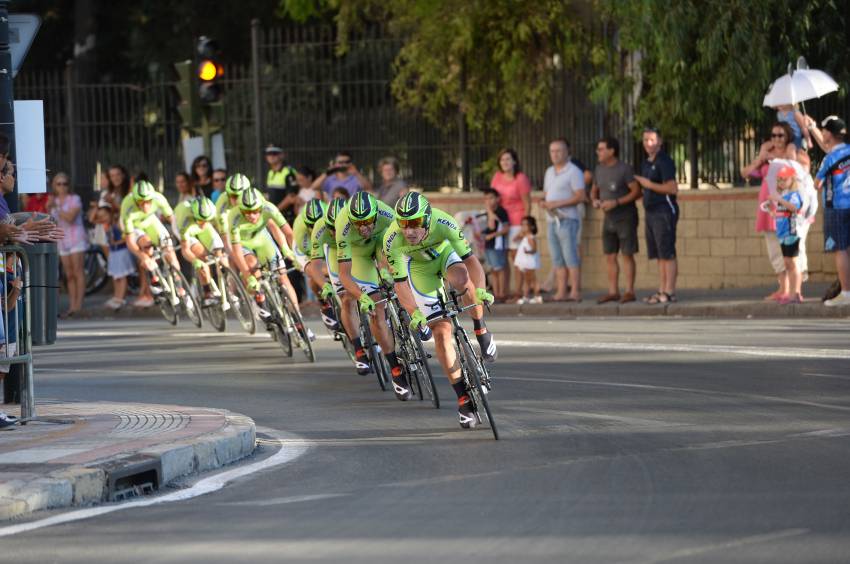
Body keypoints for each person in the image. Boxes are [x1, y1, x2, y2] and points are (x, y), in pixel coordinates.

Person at [383, 192, 496, 430]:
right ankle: (463, 399)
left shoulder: (444, 222)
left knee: (463, 280)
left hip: (444, 256)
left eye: (414, 223)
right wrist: (413, 311)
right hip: (419, 271)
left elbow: (472, 261)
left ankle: (481, 329)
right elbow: (400, 283)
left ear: (426, 219)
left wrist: (481, 291)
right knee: (442, 333)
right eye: (404, 224)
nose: (409, 231)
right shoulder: (392, 238)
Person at [336, 192, 414, 400]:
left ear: (376, 215)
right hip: (358, 253)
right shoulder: (343, 225)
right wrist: (362, 296)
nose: (363, 228)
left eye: (368, 221)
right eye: (358, 223)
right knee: (376, 309)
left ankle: (409, 313)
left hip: (382, 242)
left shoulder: (387, 214)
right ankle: (395, 368)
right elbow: (344, 275)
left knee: (396, 272)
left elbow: (402, 245)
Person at [741, 122, 805, 300]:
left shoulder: (792, 155)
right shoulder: (765, 158)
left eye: (781, 135)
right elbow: (745, 173)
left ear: (788, 137)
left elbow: (794, 171)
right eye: (773, 135)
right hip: (768, 209)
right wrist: (760, 158)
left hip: (786, 210)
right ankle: (782, 288)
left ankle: (794, 290)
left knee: (790, 250)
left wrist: (773, 156)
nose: (776, 139)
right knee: (774, 250)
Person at [591, 137, 641, 304]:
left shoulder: (625, 169)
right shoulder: (598, 169)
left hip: (625, 217)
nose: (598, 152)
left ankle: (629, 291)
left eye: (601, 149)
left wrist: (617, 202)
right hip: (608, 218)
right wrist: (595, 200)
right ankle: (613, 291)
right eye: (598, 149)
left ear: (612, 151)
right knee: (610, 255)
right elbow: (594, 190)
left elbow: (636, 192)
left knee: (627, 254)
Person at [807, 115, 850, 307]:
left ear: (829, 134)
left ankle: (847, 293)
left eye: (823, 130)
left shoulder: (829, 159)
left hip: (837, 209)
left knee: (840, 250)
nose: (822, 133)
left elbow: (817, 184)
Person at [634, 127, 679, 304]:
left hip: (664, 211)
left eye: (651, 140)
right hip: (650, 211)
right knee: (659, 254)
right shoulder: (646, 163)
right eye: (645, 140)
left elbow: (672, 188)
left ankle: (670, 291)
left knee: (667, 252)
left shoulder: (664, 161)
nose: (648, 143)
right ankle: (661, 289)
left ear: (659, 141)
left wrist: (649, 184)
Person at [120, 180, 180, 305]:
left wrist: (179, 236)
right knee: (146, 245)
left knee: (168, 248)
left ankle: (179, 285)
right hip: (134, 226)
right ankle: (154, 279)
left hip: (150, 220)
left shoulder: (158, 198)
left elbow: (172, 219)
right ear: (135, 200)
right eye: (141, 203)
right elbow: (130, 241)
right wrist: (143, 257)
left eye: (148, 202)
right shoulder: (128, 205)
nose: (145, 206)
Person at [541, 138, 585, 302]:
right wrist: (544, 202)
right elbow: (547, 194)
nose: (555, 154)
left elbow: (580, 196)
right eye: (552, 151)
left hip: (568, 220)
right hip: (551, 220)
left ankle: (575, 291)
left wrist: (557, 203)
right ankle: (561, 291)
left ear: (567, 152)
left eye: (559, 150)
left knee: (570, 256)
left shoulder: (574, 171)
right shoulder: (549, 172)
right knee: (557, 258)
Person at [490, 148, 532, 297]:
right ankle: (505, 291)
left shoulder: (521, 178)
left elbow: (528, 204)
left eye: (508, 159)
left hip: (516, 223)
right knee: (503, 258)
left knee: (517, 258)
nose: (505, 162)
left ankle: (519, 292)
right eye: (502, 160)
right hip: (501, 223)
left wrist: (524, 228)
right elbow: (491, 199)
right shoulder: (497, 177)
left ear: (514, 161)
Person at [48, 172, 87, 318]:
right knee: (69, 274)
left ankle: (78, 305)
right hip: (62, 239)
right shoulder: (53, 201)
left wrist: (56, 208)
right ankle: (72, 306)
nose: (62, 187)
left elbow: (70, 218)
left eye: (65, 184)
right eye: (59, 184)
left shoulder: (74, 199)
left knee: (78, 271)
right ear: (54, 186)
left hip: (76, 237)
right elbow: (50, 220)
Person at [768, 165, 805, 304]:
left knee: (793, 263)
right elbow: (781, 213)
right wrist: (772, 212)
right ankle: (791, 293)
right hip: (783, 233)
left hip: (792, 231)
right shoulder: (783, 196)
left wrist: (779, 199)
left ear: (792, 179)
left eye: (784, 179)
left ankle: (796, 293)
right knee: (787, 263)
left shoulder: (793, 195)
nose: (781, 182)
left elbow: (794, 207)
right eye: (779, 180)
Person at [181, 197, 227, 306]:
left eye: (207, 220)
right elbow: (185, 249)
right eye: (201, 220)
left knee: (218, 250)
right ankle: (207, 292)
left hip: (203, 227)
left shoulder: (212, 215)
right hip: (189, 229)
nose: (203, 223)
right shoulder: (185, 220)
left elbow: (222, 232)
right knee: (201, 255)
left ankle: (226, 287)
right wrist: (195, 260)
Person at [102, 203, 135, 310]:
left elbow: (126, 237)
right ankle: (116, 296)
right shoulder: (107, 225)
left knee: (122, 275)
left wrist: (117, 242)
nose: (103, 218)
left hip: (121, 251)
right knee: (116, 275)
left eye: (105, 216)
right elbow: (93, 218)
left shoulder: (117, 224)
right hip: (114, 252)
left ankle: (121, 298)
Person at [480, 188, 509, 302]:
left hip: (497, 245)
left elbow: (505, 228)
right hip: (488, 245)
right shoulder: (489, 212)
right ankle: (496, 294)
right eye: (486, 198)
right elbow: (491, 226)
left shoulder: (501, 211)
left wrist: (492, 235)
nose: (488, 201)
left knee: (500, 269)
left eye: (491, 198)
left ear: (497, 199)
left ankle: (502, 293)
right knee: (493, 270)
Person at [514, 216, 542, 304]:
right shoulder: (525, 236)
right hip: (526, 263)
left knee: (533, 280)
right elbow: (514, 239)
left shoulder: (530, 237)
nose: (523, 227)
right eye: (522, 224)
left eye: (526, 225)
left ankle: (538, 296)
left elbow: (534, 249)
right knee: (527, 280)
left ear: (532, 226)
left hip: (530, 263)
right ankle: (525, 296)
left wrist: (528, 251)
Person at [263, 144, 299, 211]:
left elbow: (292, 196)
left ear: (282, 155)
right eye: (268, 153)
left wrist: (275, 211)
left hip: (285, 215)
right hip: (272, 214)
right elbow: (268, 195)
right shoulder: (270, 172)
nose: (271, 156)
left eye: (274, 153)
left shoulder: (289, 172)